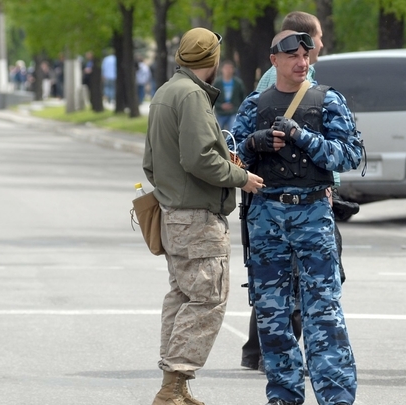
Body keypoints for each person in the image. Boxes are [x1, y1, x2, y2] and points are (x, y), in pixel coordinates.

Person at [231, 30, 362, 405]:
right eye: (293, 57)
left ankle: (336, 397)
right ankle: (284, 395)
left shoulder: (328, 101)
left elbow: (348, 156)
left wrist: (304, 137)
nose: (302, 63)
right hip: (266, 218)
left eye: (306, 56)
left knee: (324, 313)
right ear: (274, 61)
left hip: (312, 215)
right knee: (272, 314)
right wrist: (254, 143)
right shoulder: (255, 105)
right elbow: (230, 159)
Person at [142, 27, 265, 405]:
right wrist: (240, 177)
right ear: (211, 61)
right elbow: (198, 159)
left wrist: (172, 190)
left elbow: (150, 164)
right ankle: (172, 386)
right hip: (197, 216)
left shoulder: (165, 93)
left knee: (182, 297)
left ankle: (175, 385)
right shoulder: (193, 96)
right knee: (208, 298)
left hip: (173, 214)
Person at [212, 60, 246, 131]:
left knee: (232, 131)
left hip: (233, 111)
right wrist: (221, 105)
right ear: (222, 69)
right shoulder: (217, 83)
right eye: (226, 68)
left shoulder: (238, 83)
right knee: (217, 131)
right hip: (220, 112)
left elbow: (242, 98)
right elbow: (212, 98)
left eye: (230, 68)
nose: (228, 70)